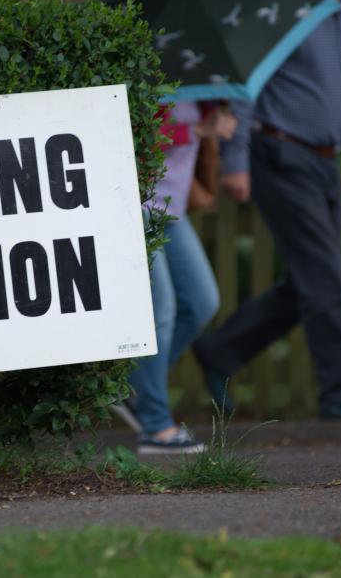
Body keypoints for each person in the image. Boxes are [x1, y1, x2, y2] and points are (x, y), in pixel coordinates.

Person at [193, 0, 341, 420]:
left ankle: (220, 351)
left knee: (312, 279)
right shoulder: (285, 7)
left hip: (327, 158)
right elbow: (248, 78)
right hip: (279, 150)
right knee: (322, 275)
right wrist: (236, 161)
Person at [122, 100, 236, 454]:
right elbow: (132, 138)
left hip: (172, 209)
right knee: (162, 311)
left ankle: (131, 387)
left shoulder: (205, 87)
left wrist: (217, 118)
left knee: (202, 302)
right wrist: (196, 131)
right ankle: (156, 427)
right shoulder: (154, 74)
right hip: (136, 203)